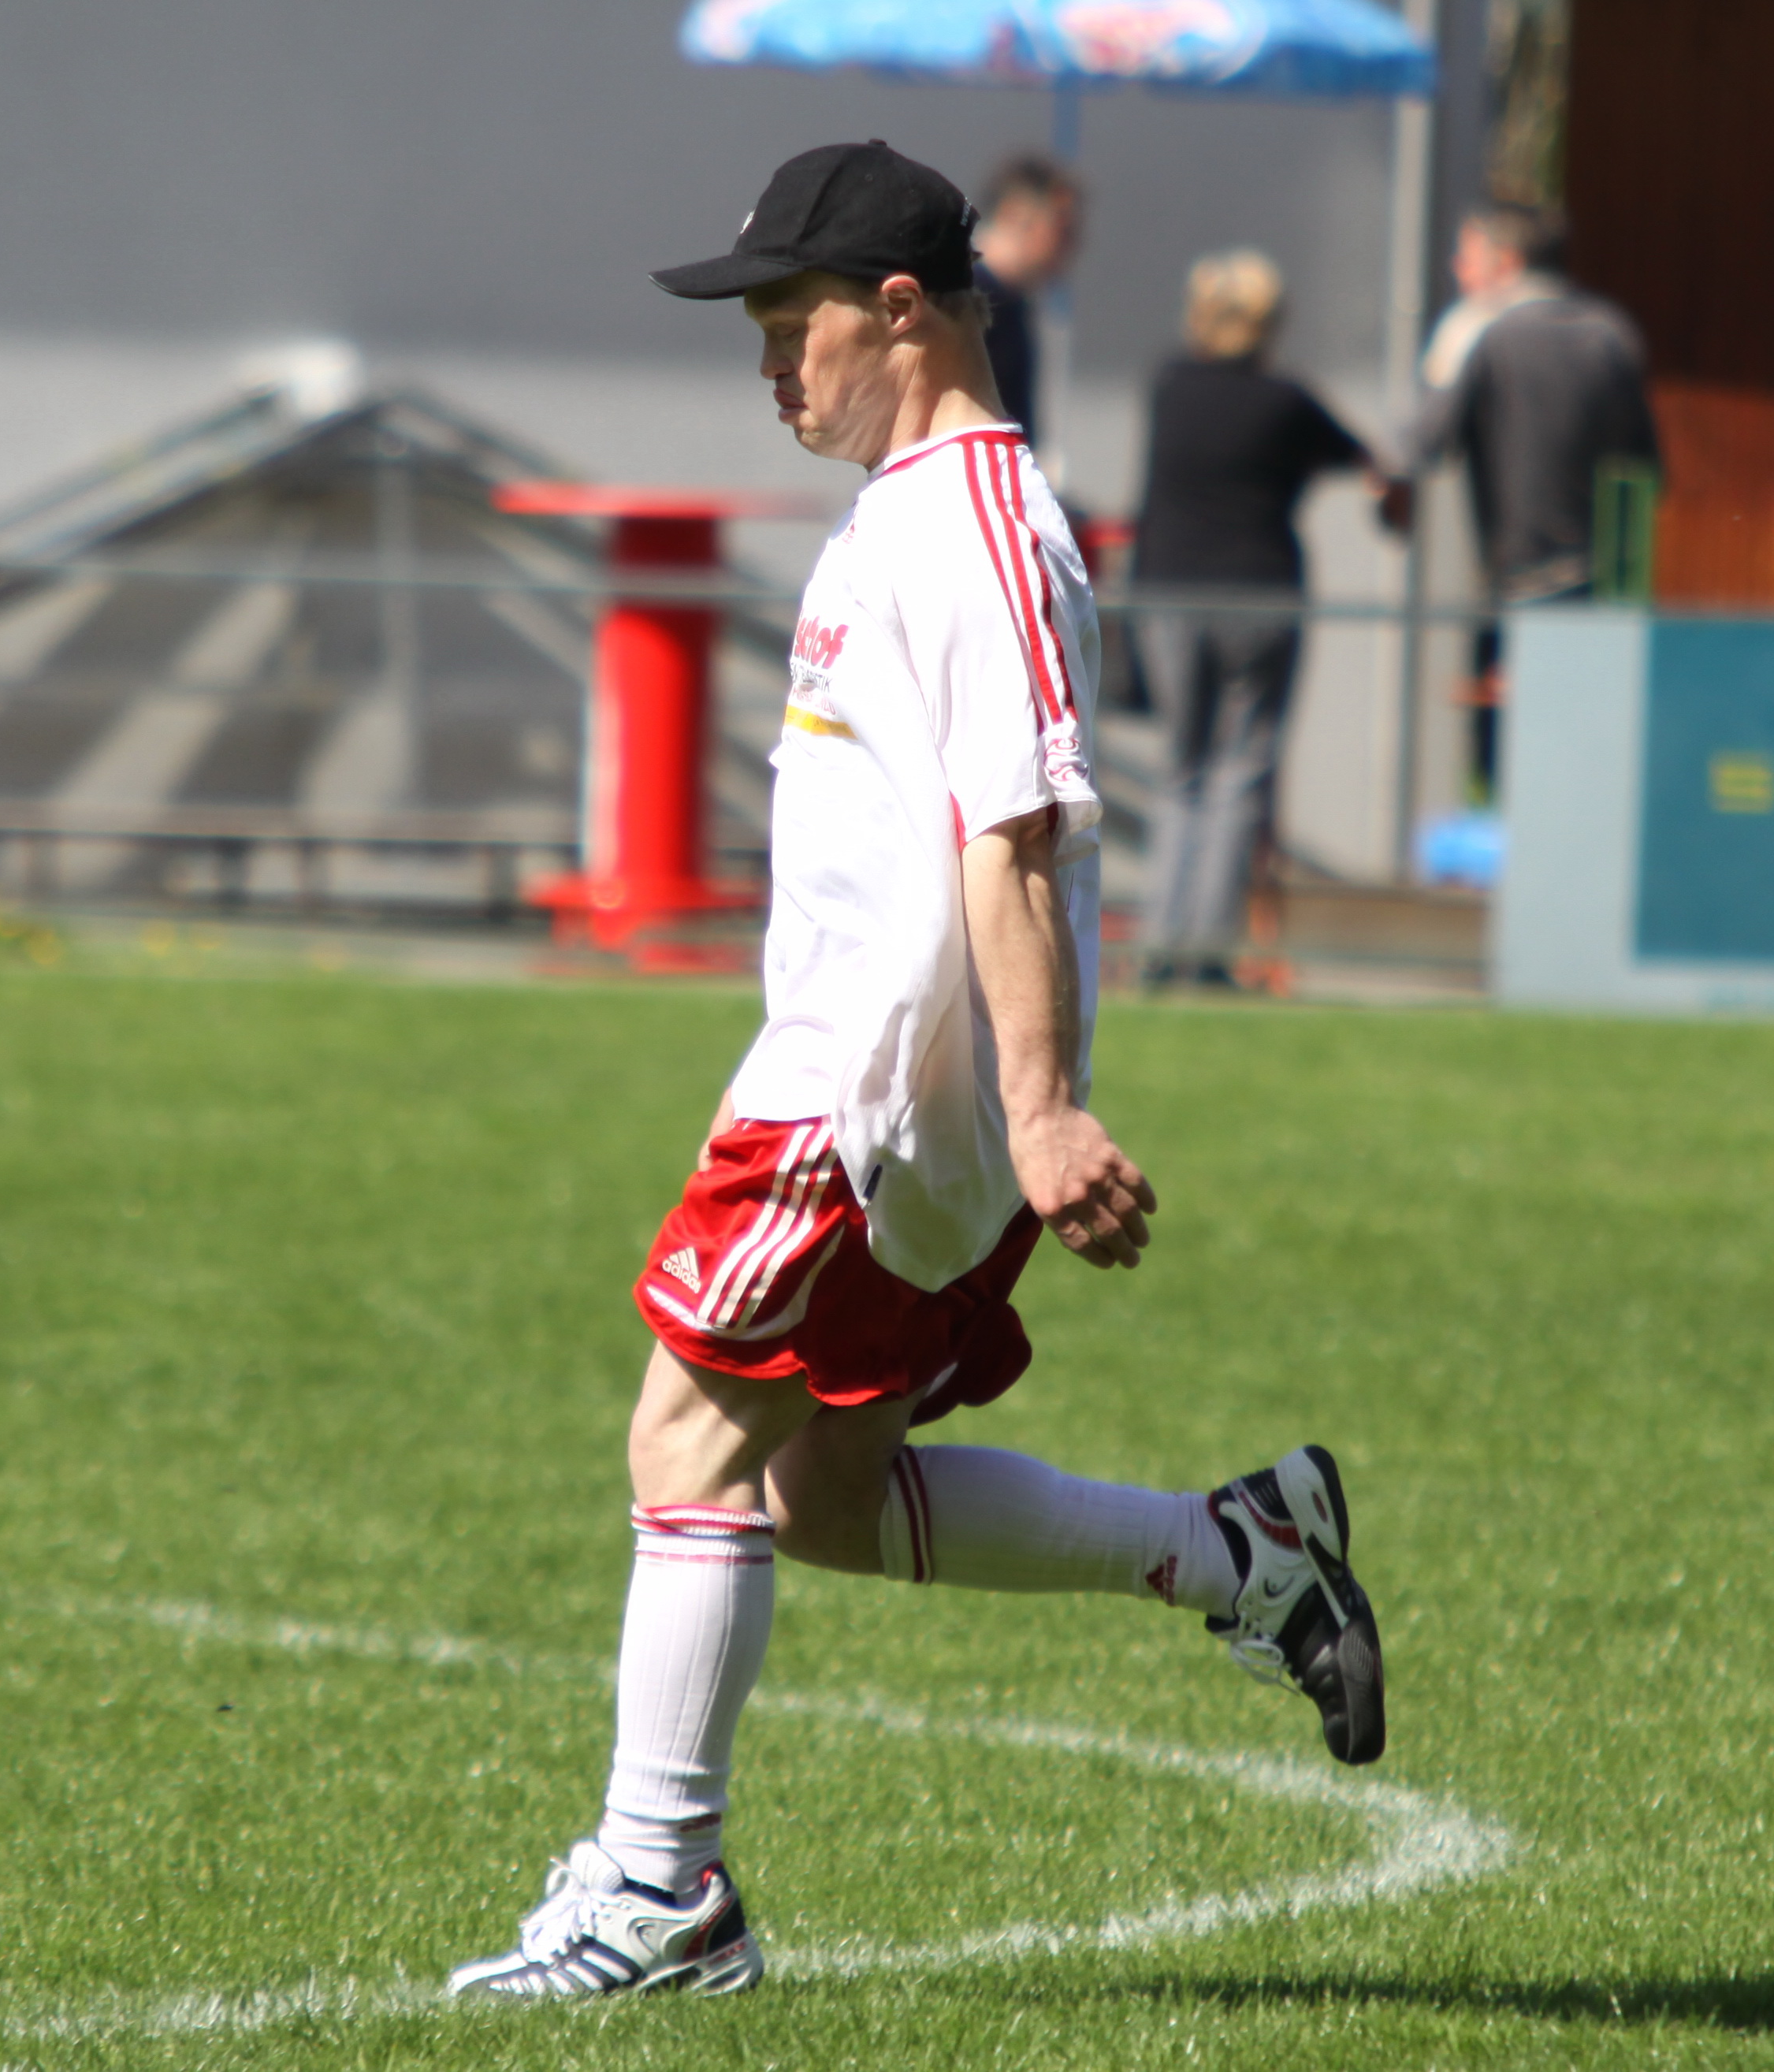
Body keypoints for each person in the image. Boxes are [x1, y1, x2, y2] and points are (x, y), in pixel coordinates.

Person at [446, 143, 1385, 2007]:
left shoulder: (971, 522)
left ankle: (658, 1889)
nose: (761, 361)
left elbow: (1012, 835)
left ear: (897, 310)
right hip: (892, 1101)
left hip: (867, 1100)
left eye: (783, 321)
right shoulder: (914, 507)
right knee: (820, 1494)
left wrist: (1038, 1108)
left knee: (681, 1441)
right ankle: (1237, 1552)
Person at [1130, 251, 1374, 986]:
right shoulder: (1285, 402)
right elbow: (1363, 459)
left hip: (1168, 594)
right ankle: (1206, 954)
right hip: (1259, 596)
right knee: (1239, 774)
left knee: (1180, 771)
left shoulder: (1168, 387)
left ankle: (1158, 948)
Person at [1393, 203, 1660, 788]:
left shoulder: (1482, 331)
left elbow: (1422, 444)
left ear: (1506, 263)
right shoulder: (1609, 332)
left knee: (1507, 760)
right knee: (1576, 755)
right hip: (1596, 583)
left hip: (1515, 583)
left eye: (1467, 257)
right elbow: (1645, 463)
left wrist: (1444, 361)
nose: (1457, 270)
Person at [972, 154, 1081, 451]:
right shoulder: (963, 301)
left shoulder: (1015, 306)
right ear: (1015, 215)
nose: (1073, 246)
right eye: (1063, 230)